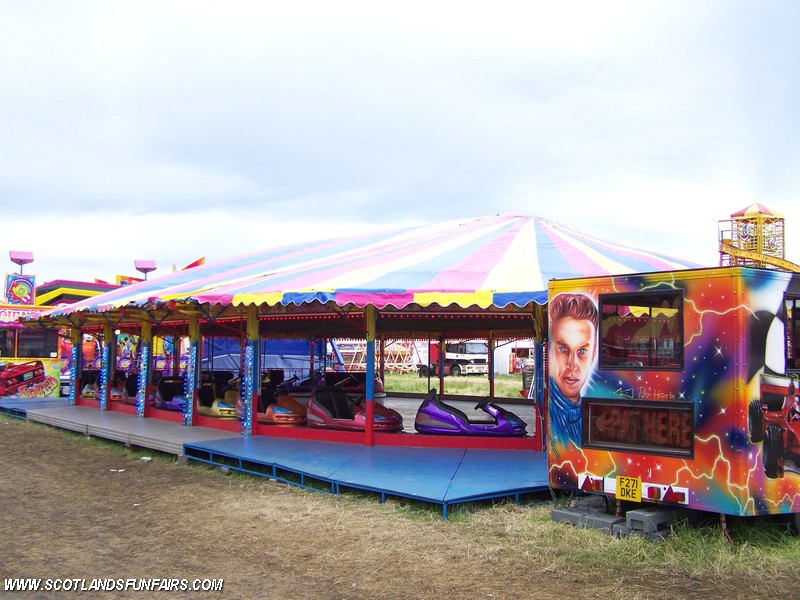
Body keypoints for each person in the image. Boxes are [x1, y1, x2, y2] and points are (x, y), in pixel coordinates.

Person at [548, 292, 598, 452]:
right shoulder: (553, 416)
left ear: (594, 355)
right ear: (550, 351)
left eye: (582, 351)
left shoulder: (591, 415)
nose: (572, 365)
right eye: (563, 349)